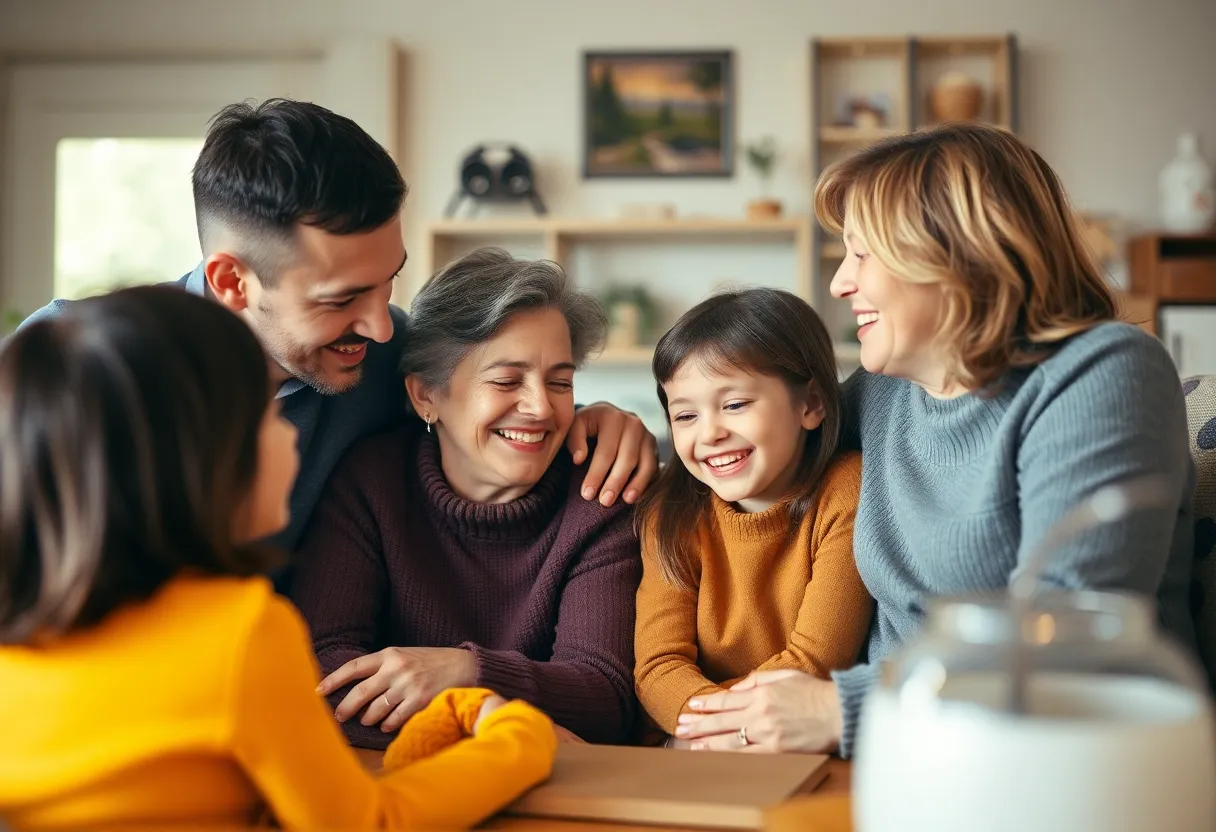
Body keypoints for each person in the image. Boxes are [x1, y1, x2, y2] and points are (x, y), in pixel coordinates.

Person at [675, 122, 1198, 757]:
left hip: (1054, 757)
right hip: (893, 755)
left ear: (954, 255)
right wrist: (602, 428)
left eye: (862, 255)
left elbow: (1069, 639)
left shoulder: (1102, 371)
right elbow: (736, 436)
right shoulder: (885, 395)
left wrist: (842, 708)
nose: (841, 284)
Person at [19, 99, 657, 583]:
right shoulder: (68, 358)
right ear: (232, 280)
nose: (382, 326)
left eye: (389, 282)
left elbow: (497, 419)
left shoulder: (391, 356)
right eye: (341, 299)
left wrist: (597, 425)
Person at [0, 285, 556, 831]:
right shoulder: (243, 635)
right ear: (203, 463)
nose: (293, 438)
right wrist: (519, 735)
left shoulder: (19, 635)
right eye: (266, 419)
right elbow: (367, 822)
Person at [292, 247, 641, 750]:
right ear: (426, 396)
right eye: (506, 380)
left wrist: (464, 670)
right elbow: (324, 678)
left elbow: (602, 698)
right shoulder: (371, 482)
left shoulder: (599, 495)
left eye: (560, 382)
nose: (541, 407)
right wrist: (492, 721)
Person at [632, 288, 873, 751]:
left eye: (735, 405)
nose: (710, 433)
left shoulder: (847, 491)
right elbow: (658, 666)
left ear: (811, 404)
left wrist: (722, 732)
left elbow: (816, 661)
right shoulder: (671, 514)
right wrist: (710, 735)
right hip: (685, 746)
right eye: (684, 415)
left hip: (787, 741)